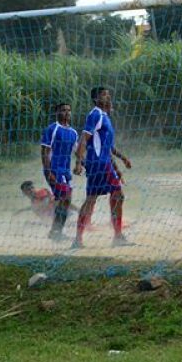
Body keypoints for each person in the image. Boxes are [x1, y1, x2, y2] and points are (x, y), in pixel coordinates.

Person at [72, 86, 133, 248]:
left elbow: (109, 148)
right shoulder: (95, 114)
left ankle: (78, 240)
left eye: (108, 94)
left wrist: (123, 161)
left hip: (101, 163)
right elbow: (84, 138)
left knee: (93, 199)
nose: (108, 96)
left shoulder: (105, 117)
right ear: (96, 98)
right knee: (117, 195)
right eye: (104, 94)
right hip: (99, 163)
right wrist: (78, 162)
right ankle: (118, 236)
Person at [40, 102, 79, 240]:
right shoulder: (52, 129)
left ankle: (56, 231)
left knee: (66, 201)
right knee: (65, 198)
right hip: (54, 169)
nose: (67, 113)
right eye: (63, 110)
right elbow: (45, 151)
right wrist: (48, 171)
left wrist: (81, 165)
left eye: (69, 110)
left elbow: (77, 152)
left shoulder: (73, 132)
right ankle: (56, 232)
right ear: (57, 112)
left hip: (66, 172)